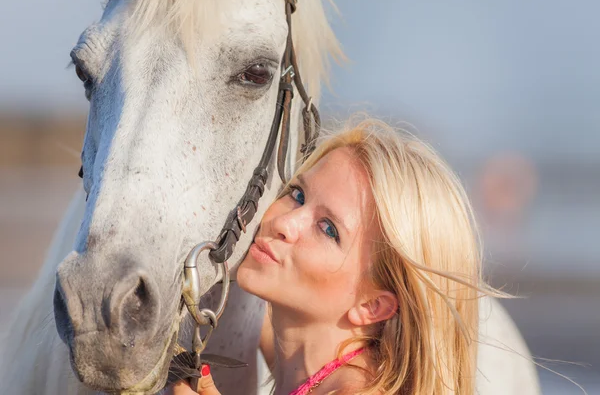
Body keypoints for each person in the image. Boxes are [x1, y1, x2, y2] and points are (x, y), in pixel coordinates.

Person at [168, 118, 499, 395]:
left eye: (328, 230)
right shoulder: (309, 361)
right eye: (297, 195)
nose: (283, 222)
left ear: (372, 306)